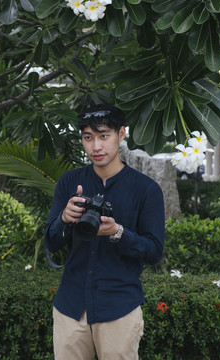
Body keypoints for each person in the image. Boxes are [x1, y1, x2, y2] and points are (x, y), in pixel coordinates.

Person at [44, 103, 165, 359]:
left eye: (103, 136)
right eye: (88, 138)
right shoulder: (68, 182)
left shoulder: (146, 190)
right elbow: (51, 243)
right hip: (70, 308)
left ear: (121, 134)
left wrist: (118, 232)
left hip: (119, 309)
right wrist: (65, 219)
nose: (95, 147)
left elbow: (154, 252)